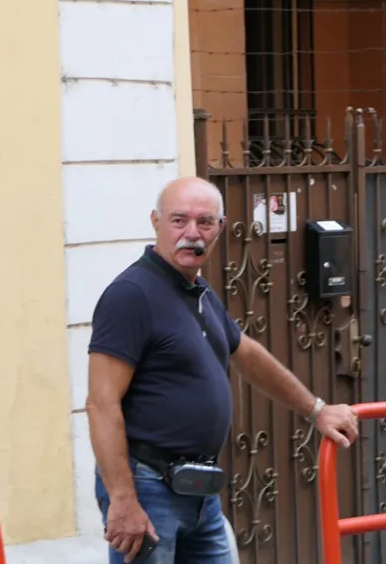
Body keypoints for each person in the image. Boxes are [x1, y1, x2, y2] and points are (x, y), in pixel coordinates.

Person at [86, 176, 360, 564]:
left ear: (220, 228)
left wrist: (316, 410)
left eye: (205, 222)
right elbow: (101, 403)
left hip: (199, 491)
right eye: (179, 220)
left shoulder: (196, 292)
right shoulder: (131, 295)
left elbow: (247, 354)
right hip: (148, 489)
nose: (192, 233)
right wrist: (122, 499)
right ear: (156, 222)